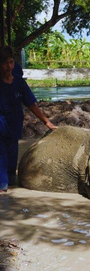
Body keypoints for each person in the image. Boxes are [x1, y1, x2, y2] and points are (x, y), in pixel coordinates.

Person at [0, 46, 57, 192]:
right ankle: (3, 187)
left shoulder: (19, 82)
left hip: (14, 126)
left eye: (11, 62)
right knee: (2, 157)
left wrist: (46, 121)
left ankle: (10, 186)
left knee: (12, 157)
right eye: (5, 63)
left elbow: (31, 104)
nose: (9, 66)